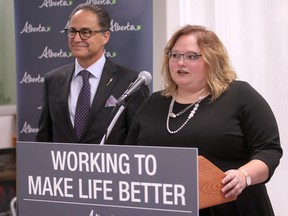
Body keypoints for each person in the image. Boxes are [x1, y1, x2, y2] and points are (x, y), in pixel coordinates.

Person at [125, 25, 282, 216]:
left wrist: (243, 175)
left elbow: (269, 150)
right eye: (174, 55)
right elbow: (131, 157)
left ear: (212, 60)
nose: (180, 63)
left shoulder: (240, 96)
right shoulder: (153, 102)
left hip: (230, 207)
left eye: (191, 56)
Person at [36, 3, 149, 144]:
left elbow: (138, 142)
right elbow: (43, 139)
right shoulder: (52, 80)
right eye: (72, 31)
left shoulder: (131, 83)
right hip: (60, 166)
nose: (76, 39)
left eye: (85, 32)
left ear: (105, 36)